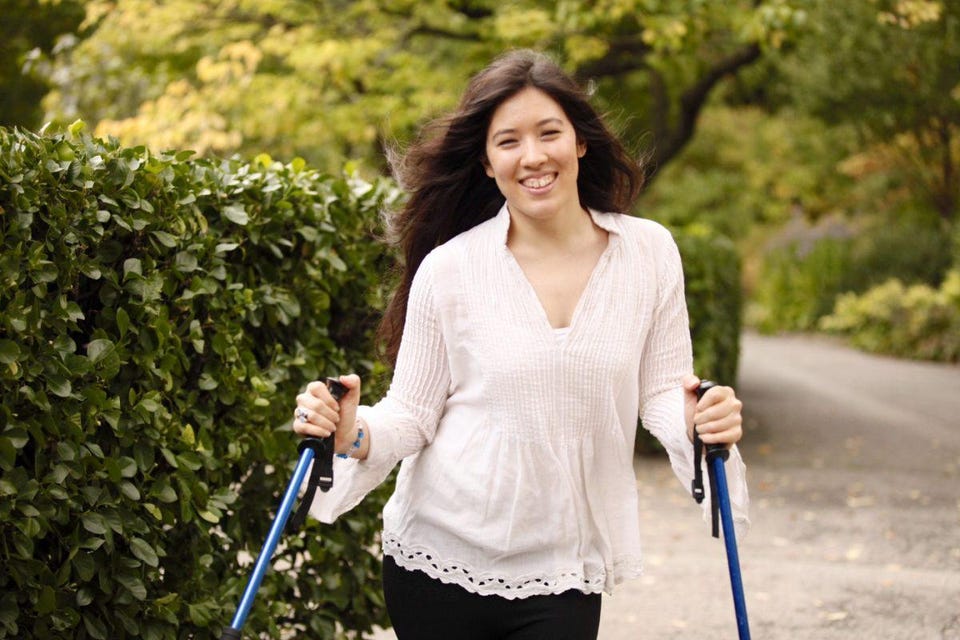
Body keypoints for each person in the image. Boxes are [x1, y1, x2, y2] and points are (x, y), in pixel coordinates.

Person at [292, 49, 749, 640]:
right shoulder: (450, 268)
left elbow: (663, 388)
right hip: (438, 556)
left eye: (549, 133)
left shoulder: (649, 253)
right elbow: (411, 414)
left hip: (564, 562)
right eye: (508, 141)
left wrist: (697, 416)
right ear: (486, 162)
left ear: (579, 142)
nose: (533, 156)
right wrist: (349, 431)